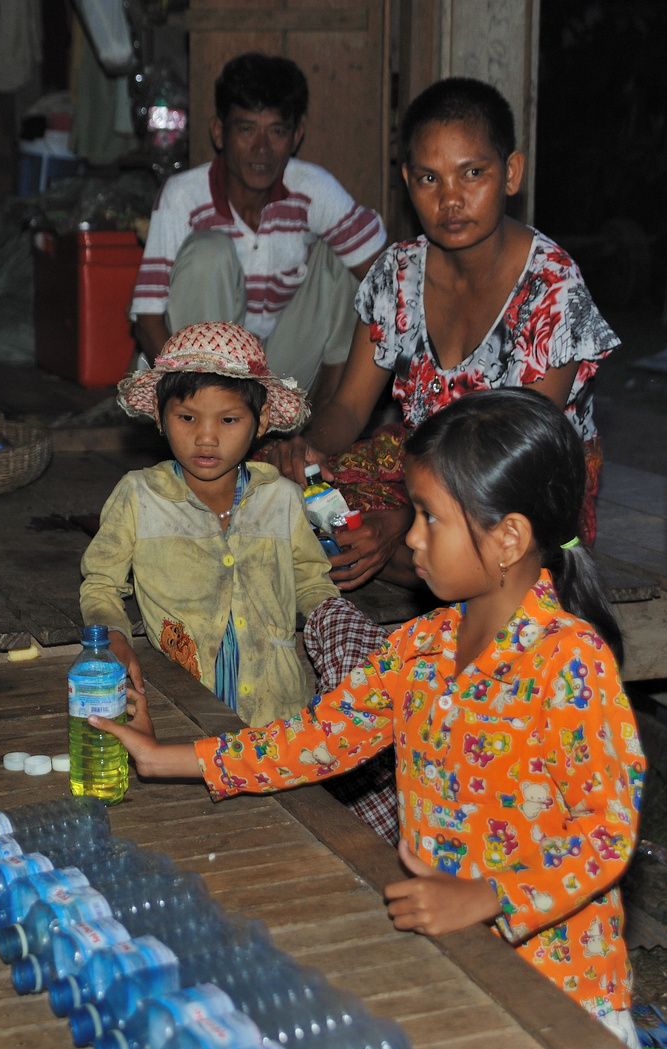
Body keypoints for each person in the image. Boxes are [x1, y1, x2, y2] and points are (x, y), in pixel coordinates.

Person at [96, 390, 644, 1049]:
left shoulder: (568, 662)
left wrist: (489, 896)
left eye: (430, 519)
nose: (409, 537)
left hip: (561, 990)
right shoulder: (424, 645)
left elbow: (605, 832)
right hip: (456, 967)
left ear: (508, 538)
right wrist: (166, 757)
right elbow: (319, 738)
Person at [270, 77, 619, 592]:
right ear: (407, 181)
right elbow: (347, 408)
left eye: (472, 173)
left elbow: (518, 456)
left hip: (521, 484)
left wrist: (412, 520)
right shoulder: (396, 273)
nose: (450, 199)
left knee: (479, 544)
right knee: (273, 488)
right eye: (430, 179)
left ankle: (412, 554)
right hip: (427, 466)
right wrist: (308, 453)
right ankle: (400, 552)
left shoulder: (551, 289)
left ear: (511, 173)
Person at [80, 322, 397, 841]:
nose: (206, 437)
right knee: (201, 840)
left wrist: (336, 625)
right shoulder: (139, 496)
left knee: (286, 840)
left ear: (262, 420)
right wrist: (110, 632)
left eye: (228, 419)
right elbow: (100, 583)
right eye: (186, 417)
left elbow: (313, 582)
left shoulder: (283, 499)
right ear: (160, 419)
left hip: (278, 715)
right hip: (186, 712)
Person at [130, 53, 387, 407]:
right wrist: (184, 396)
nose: (262, 149)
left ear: (297, 135)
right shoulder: (183, 197)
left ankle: (323, 418)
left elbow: (388, 280)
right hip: (197, 375)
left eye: (277, 131)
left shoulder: (313, 189)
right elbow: (147, 319)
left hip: (284, 371)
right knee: (209, 251)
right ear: (219, 132)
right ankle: (210, 415)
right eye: (247, 129)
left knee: (348, 260)